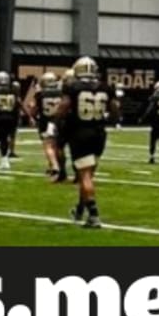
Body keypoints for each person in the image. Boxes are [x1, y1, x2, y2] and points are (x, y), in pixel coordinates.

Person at [55, 56, 118, 228]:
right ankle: (80, 209)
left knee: (84, 175)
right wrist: (110, 120)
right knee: (89, 175)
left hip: (80, 132)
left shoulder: (72, 86)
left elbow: (63, 107)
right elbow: (114, 109)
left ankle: (94, 214)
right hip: (99, 133)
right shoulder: (105, 86)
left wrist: (56, 122)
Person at [29, 71, 66, 181]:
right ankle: (58, 167)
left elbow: (34, 110)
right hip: (60, 121)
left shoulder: (40, 94)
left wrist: (32, 111)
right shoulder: (62, 93)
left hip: (47, 122)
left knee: (48, 145)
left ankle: (55, 166)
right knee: (59, 146)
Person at [0, 71, 22, 170]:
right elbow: (18, 104)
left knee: (2, 139)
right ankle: (5, 157)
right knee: (8, 137)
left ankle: (4, 159)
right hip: (12, 117)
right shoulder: (13, 92)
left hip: (0, 117)